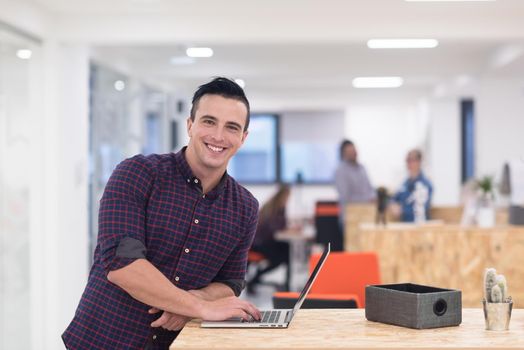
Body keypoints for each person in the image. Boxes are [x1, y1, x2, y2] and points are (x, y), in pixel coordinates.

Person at [62, 77, 261, 350]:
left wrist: (192, 301)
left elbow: (230, 281)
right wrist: (199, 307)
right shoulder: (137, 174)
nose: (218, 136)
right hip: (104, 341)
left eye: (232, 127)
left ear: (243, 138)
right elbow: (122, 265)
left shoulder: (246, 207)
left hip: (178, 344)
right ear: (190, 125)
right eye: (209, 121)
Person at [248, 185, 292, 294]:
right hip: (259, 244)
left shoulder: (272, 206)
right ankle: (256, 279)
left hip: (263, 242)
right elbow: (275, 228)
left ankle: (285, 283)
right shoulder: (274, 209)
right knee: (283, 255)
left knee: (287, 249)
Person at [334, 139, 376, 223]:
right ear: (344, 154)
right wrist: (368, 199)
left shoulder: (362, 168)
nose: (353, 153)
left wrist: (374, 196)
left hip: (366, 215)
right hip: (350, 218)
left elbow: (370, 188)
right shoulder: (340, 171)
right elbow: (346, 197)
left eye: (354, 150)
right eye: (349, 151)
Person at [391, 149, 433, 222]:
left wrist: (402, 209)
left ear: (419, 162)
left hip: (419, 226)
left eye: (412, 160)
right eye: (407, 160)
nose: (409, 163)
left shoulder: (425, 184)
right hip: (405, 225)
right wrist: (393, 204)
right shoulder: (404, 184)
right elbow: (393, 198)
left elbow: (421, 208)